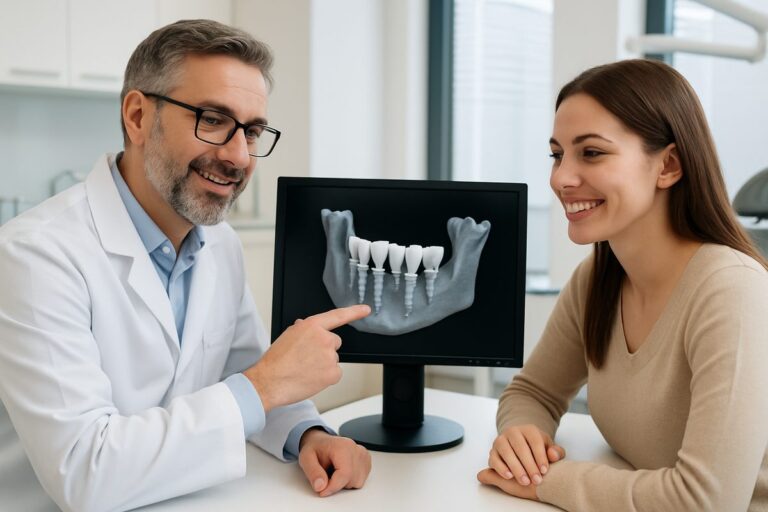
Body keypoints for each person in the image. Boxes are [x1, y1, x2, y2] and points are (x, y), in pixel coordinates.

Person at [0, 19, 372, 512]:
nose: (238, 157)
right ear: (137, 117)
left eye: (252, 131)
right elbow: (84, 471)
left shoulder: (220, 244)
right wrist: (265, 385)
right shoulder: (35, 255)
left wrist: (308, 434)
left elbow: (242, 370)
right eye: (213, 120)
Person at [477, 58, 768, 511]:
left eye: (591, 153)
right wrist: (523, 438)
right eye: (557, 155)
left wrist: (549, 481)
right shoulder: (598, 278)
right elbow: (533, 392)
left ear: (668, 165)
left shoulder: (732, 292)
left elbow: (708, 502)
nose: (560, 178)